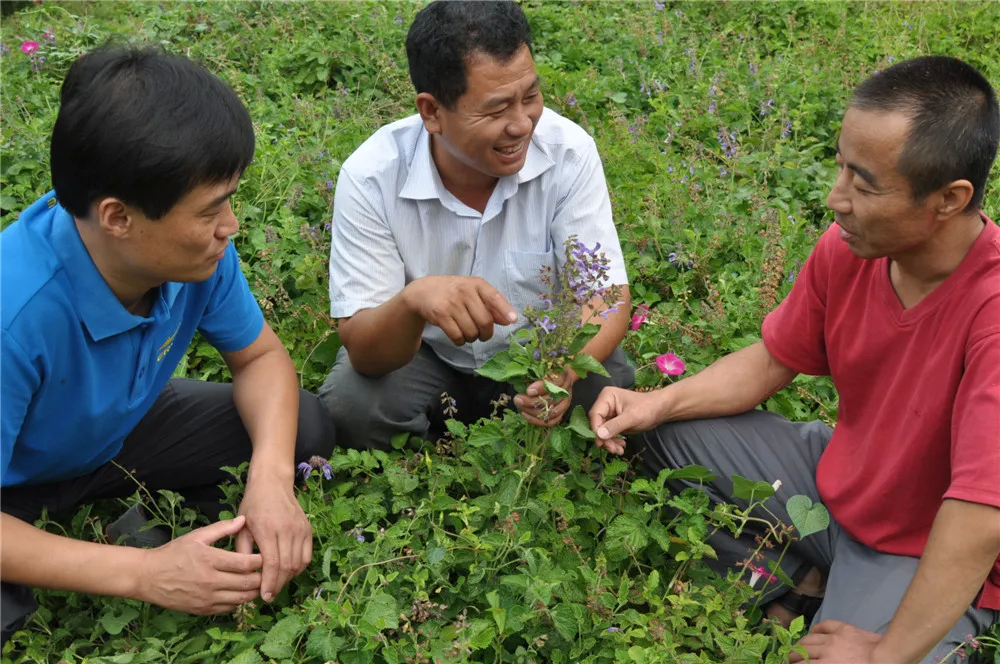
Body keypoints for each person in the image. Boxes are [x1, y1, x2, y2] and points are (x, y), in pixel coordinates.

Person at [590, 55, 1000, 664]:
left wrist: (885, 653)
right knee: (655, 432)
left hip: (926, 545)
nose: (836, 200)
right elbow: (773, 359)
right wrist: (657, 402)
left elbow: (979, 516)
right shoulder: (849, 249)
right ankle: (801, 576)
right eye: (840, 167)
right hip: (839, 481)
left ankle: (850, 600)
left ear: (948, 198)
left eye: (864, 185)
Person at [0, 45, 335, 644]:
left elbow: (260, 358)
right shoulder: (15, 313)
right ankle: (118, 550)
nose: (230, 226)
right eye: (210, 210)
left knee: (300, 428)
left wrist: (271, 479)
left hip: (111, 436)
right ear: (118, 218)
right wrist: (144, 573)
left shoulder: (200, 257)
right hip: (11, 484)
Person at [319, 0, 634, 449]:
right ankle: (432, 468)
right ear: (431, 112)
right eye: (496, 110)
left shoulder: (568, 153)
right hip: (426, 359)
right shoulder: (372, 177)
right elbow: (366, 353)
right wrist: (414, 302)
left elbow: (604, 298)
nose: (522, 124)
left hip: (537, 356)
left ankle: (494, 439)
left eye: (530, 97)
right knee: (354, 403)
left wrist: (560, 374)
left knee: (609, 380)